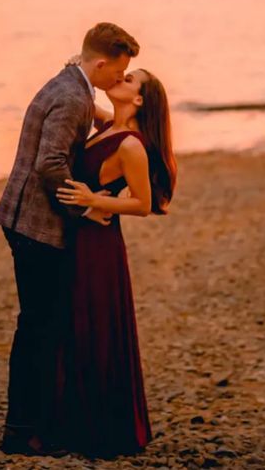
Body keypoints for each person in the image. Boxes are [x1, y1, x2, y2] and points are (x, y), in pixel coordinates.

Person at [0, 23, 140, 457]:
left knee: (42, 326)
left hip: (26, 221)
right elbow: (49, 165)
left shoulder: (73, 84)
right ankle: (20, 432)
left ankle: (36, 422)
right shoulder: (74, 97)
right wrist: (87, 207)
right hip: (34, 226)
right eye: (117, 72)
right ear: (99, 63)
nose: (118, 79)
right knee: (38, 329)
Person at [54, 63, 177, 459]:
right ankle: (76, 419)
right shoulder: (109, 126)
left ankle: (104, 427)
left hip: (99, 244)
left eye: (128, 80)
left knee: (97, 325)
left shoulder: (131, 146)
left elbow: (141, 204)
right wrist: (79, 69)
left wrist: (93, 201)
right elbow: (84, 102)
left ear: (139, 99)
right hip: (81, 237)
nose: (119, 81)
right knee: (77, 322)